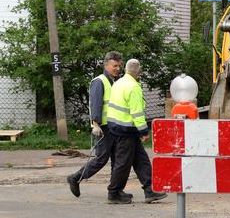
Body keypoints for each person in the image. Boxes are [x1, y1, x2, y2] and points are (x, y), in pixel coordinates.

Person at [106, 59, 167, 204]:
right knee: (123, 163)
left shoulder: (119, 82)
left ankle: (150, 190)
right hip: (126, 129)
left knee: (141, 160)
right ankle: (114, 193)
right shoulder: (133, 87)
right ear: (138, 72)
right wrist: (144, 131)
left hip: (118, 127)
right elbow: (137, 113)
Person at [66, 51, 123, 198]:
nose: (117, 68)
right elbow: (96, 104)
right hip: (103, 128)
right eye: (115, 65)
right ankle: (75, 178)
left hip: (114, 126)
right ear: (106, 65)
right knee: (101, 159)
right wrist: (95, 124)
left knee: (117, 159)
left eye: (119, 66)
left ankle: (115, 191)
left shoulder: (115, 81)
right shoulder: (99, 81)